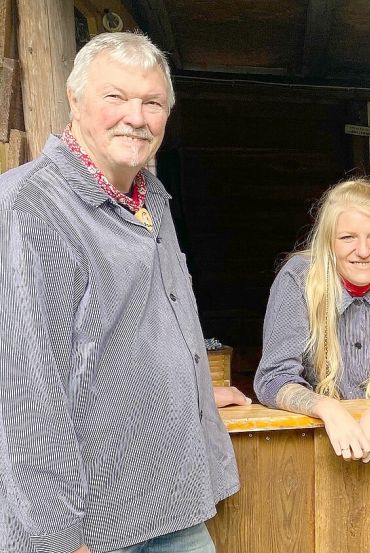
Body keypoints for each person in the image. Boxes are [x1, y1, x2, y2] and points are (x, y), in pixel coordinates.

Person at [0, 33, 238, 552]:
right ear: (75, 98)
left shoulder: (149, 195)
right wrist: (60, 540)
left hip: (173, 506)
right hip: (90, 528)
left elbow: (134, 326)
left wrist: (189, 386)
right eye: (116, 97)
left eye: (152, 103)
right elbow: (24, 401)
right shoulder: (29, 207)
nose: (136, 116)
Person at [254, 179, 370, 462]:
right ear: (328, 242)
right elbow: (273, 378)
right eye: (348, 237)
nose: (363, 251)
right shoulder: (297, 280)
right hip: (316, 447)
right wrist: (327, 408)